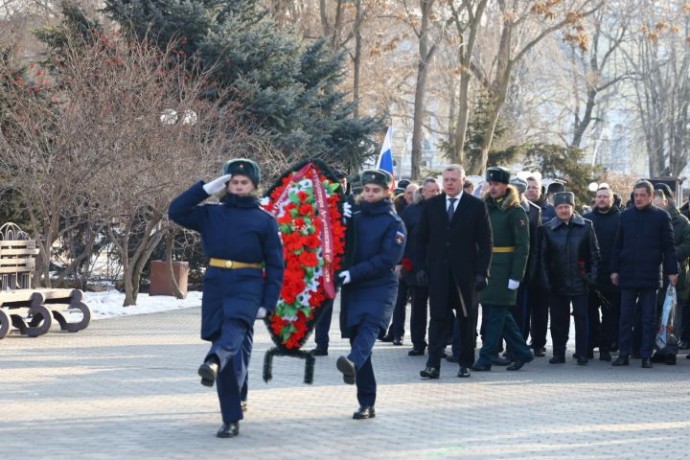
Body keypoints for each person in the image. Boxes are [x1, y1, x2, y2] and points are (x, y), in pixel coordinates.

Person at [168, 158, 284, 438]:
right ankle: (229, 407)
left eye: (244, 182)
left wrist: (268, 303)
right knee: (229, 347)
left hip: (248, 283)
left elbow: (276, 265)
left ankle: (214, 365)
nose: (239, 186)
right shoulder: (211, 214)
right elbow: (176, 211)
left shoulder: (265, 220)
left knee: (233, 330)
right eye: (234, 182)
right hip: (217, 283)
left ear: (254, 186)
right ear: (226, 184)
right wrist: (205, 189)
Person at [335, 169, 406, 420]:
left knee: (368, 330)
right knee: (358, 340)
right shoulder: (355, 215)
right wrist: (339, 219)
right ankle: (366, 402)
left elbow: (387, 258)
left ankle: (353, 364)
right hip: (355, 287)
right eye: (366, 190)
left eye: (375, 190)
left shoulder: (394, 223)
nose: (370, 194)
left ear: (387, 192)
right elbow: (341, 242)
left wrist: (352, 273)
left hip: (380, 286)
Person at [415, 164, 492, 379]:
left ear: (462, 181)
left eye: (454, 179)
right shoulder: (432, 206)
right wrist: (420, 267)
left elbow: (486, 242)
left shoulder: (475, 206)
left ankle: (465, 362)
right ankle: (433, 364)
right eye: (446, 179)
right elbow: (420, 239)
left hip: (466, 275)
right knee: (438, 318)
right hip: (438, 273)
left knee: (466, 318)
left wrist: (482, 272)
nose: (449, 183)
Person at [611, 180, 678, 368]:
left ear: (650, 197)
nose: (638, 199)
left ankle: (646, 355)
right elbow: (618, 244)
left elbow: (669, 247)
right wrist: (614, 270)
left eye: (642, 195)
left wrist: (672, 271)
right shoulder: (625, 216)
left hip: (650, 274)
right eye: (636, 195)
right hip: (628, 273)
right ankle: (623, 354)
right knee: (625, 317)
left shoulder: (662, 217)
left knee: (648, 318)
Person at [471, 167, 533, 372]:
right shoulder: (484, 207)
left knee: (497, 314)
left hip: (505, 269)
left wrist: (516, 275)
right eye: (490, 184)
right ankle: (523, 352)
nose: (492, 187)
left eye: (496, 184)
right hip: (487, 266)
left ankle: (486, 357)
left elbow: (523, 247)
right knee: (499, 314)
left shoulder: (516, 211)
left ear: (506, 186)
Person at [540, 192, 601, 365]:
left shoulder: (586, 226)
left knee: (582, 319)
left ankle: (582, 353)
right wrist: (546, 280)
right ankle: (559, 353)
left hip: (580, 281)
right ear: (555, 209)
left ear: (573, 208)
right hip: (557, 283)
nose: (563, 210)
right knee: (559, 321)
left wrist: (592, 278)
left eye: (567, 207)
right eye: (560, 207)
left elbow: (595, 255)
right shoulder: (548, 229)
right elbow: (543, 259)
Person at [311, 169, 351, 356]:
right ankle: (321, 343)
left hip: (349, 261)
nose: (341, 186)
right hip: (325, 261)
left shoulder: (354, 204)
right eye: (337, 182)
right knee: (324, 304)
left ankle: (356, 342)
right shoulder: (318, 204)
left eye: (343, 182)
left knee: (352, 304)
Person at [650, 186, 690, 365]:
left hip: (676, 275)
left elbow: (688, 245)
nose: (657, 207)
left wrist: (669, 254)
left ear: (667, 201)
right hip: (654, 275)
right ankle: (659, 348)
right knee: (658, 314)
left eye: (660, 204)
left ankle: (670, 350)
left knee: (673, 315)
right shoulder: (651, 219)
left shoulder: (681, 221)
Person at [401, 177, 441, 356]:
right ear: (423, 192)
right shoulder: (411, 211)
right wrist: (401, 262)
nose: (435, 194)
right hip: (417, 266)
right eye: (432, 191)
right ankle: (418, 342)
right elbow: (402, 238)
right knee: (418, 307)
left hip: (439, 266)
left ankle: (438, 343)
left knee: (440, 307)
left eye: (437, 190)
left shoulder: (444, 209)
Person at [583, 186, 622, 361]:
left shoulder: (621, 219)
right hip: (590, 276)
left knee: (610, 315)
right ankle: (589, 346)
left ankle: (605, 348)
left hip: (612, 276)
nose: (602, 199)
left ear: (612, 199)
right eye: (599, 196)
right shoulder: (586, 219)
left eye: (605, 197)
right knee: (589, 313)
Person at [381, 182, 418, 344]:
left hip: (415, 262)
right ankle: (396, 333)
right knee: (399, 300)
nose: (410, 196)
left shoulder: (420, 210)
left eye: (413, 193)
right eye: (408, 193)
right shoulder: (398, 210)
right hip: (400, 261)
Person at [524, 175, 550, 356]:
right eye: (529, 187)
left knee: (540, 310)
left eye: (535, 187)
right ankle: (520, 342)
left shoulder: (550, 211)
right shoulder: (520, 209)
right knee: (523, 309)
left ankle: (539, 343)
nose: (532, 189)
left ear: (541, 190)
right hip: (524, 267)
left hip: (544, 267)